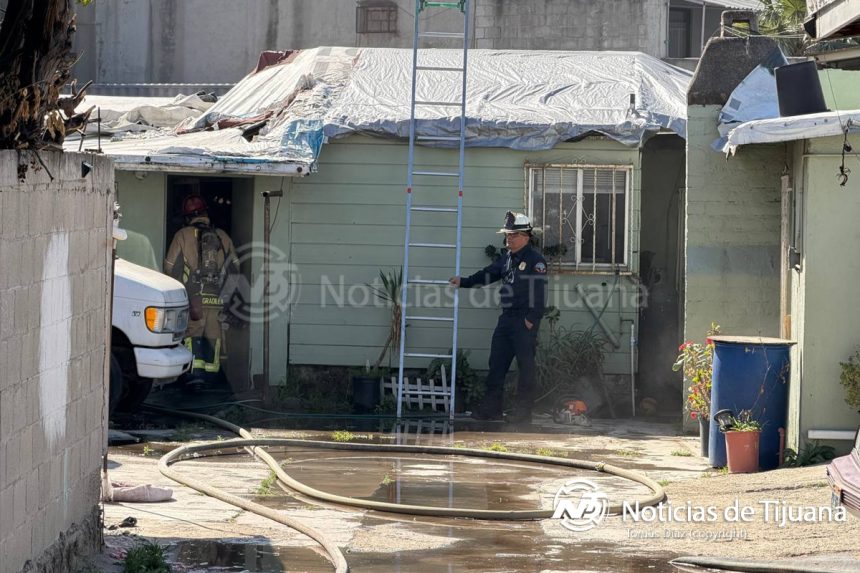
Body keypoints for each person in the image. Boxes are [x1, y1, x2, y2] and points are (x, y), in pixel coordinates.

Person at [450, 211, 547, 423]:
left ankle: (523, 414)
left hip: (524, 320)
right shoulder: (507, 258)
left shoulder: (535, 261)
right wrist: (464, 281)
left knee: (525, 368)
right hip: (507, 319)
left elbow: (539, 293)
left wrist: (531, 319)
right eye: (507, 235)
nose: (508, 239)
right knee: (496, 364)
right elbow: (488, 274)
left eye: (513, 235)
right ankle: (491, 409)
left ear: (526, 236)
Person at [164, 194, 240, 385]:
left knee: (193, 334)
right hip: (216, 298)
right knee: (214, 335)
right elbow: (235, 269)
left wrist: (182, 293)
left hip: (194, 299)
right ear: (205, 213)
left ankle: (193, 374)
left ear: (187, 217)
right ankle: (213, 378)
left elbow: (170, 267)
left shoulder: (182, 235)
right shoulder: (223, 237)